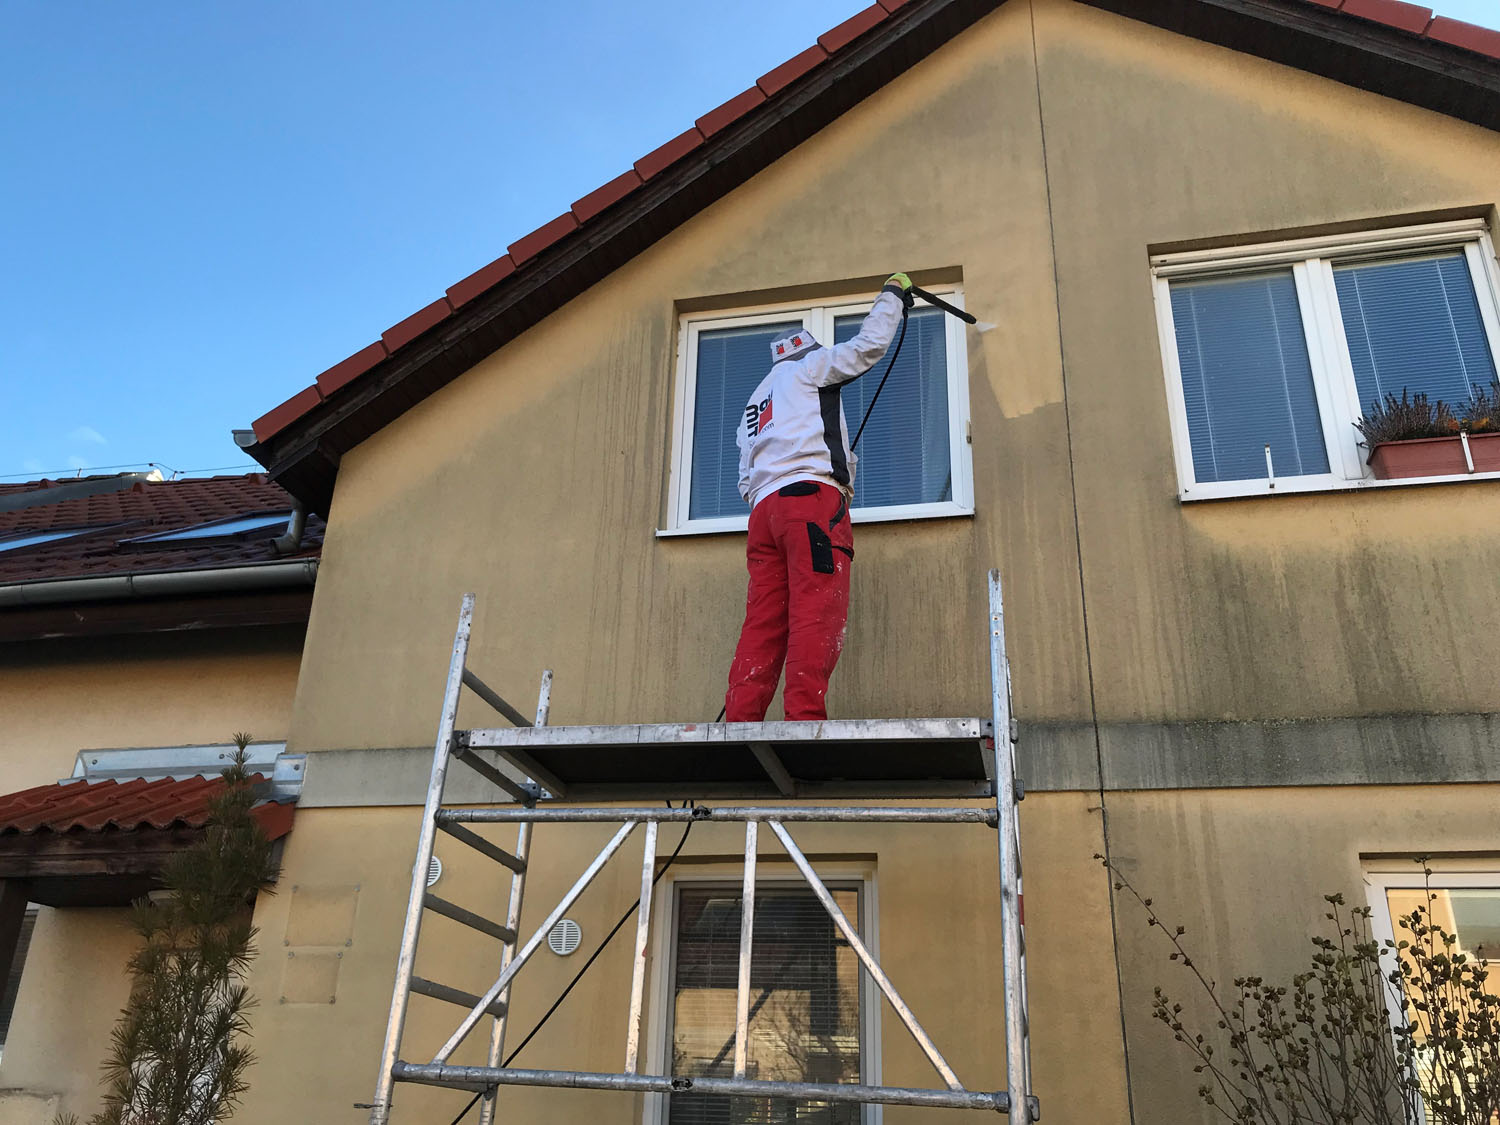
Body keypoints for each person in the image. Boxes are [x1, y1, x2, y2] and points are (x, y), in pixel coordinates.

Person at [724, 272, 912, 722]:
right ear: (809, 351)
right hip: (809, 503)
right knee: (816, 609)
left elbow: (745, 478)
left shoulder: (754, 404)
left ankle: (741, 722)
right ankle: (804, 720)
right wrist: (892, 296)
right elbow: (868, 346)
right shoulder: (811, 367)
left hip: (763, 514)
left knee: (763, 621)